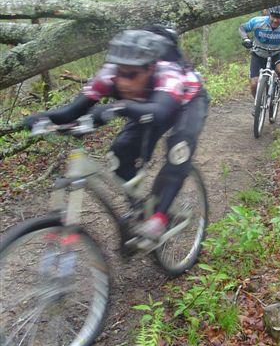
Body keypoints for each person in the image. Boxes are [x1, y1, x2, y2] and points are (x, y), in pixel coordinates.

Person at [24, 26, 209, 241]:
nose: (123, 81)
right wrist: (41, 117)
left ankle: (160, 216)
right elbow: (72, 112)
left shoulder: (169, 73)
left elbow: (160, 112)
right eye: (119, 73)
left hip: (187, 103)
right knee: (120, 151)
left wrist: (119, 107)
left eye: (131, 75)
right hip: (147, 105)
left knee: (179, 150)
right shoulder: (110, 74)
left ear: (151, 68)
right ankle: (140, 207)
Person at [239, 4, 280, 104]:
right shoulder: (257, 21)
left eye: (279, 17)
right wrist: (245, 39)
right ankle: (258, 105)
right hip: (258, 54)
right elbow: (242, 28)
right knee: (254, 84)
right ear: (269, 14)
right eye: (273, 16)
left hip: (276, 53)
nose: (275, 20)